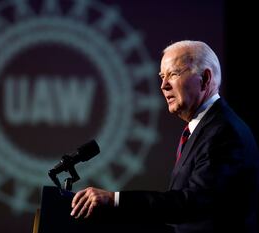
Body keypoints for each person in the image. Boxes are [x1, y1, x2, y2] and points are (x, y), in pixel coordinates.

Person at [70, 40, 259, 233]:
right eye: (162, 76)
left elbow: (193, 203)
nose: (163, 85)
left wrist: (115, 199)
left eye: (173, 74)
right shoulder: (204, 128)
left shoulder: (223, 132)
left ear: (204, 78)